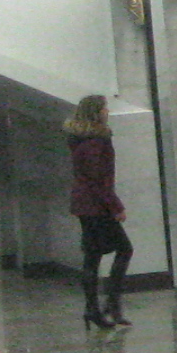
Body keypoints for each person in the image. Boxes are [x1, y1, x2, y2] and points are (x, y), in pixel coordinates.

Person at [65, 93, 133, 331]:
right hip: (96, 205)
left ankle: (94, 309)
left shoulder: (81, 139)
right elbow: (98, 179)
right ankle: (110, 304)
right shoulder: (96, 141)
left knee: (92, 256)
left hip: (84, 204)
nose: (108, 112)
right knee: (124, 249)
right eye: (104, 108)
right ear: (95, 112)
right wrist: (116, 207)